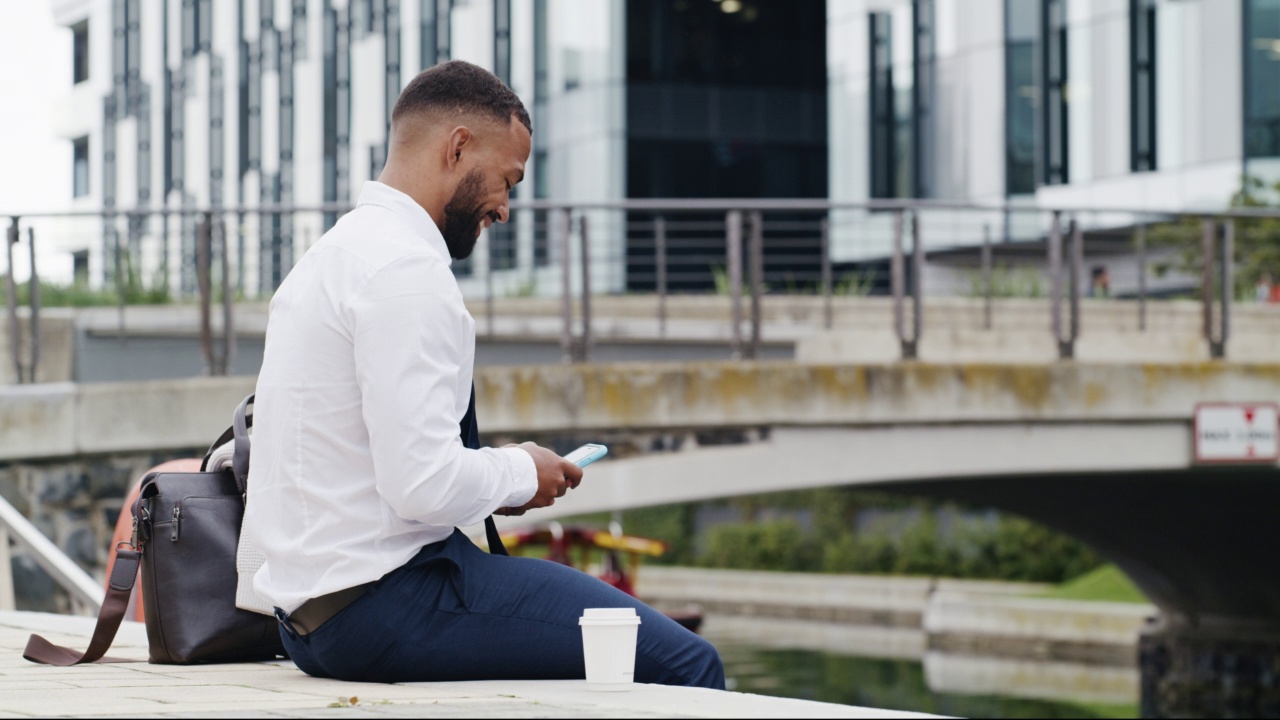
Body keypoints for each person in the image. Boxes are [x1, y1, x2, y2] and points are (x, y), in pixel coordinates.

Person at [242, 61, 724, 688]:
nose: (504, 207)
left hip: (308, 619)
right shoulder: (405, 273)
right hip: (383, 607)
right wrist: (523, 469)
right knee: (689, 664)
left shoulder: (327, 257)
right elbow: (420, 485)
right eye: (507, 178)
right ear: (458, 146)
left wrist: (508, 477)